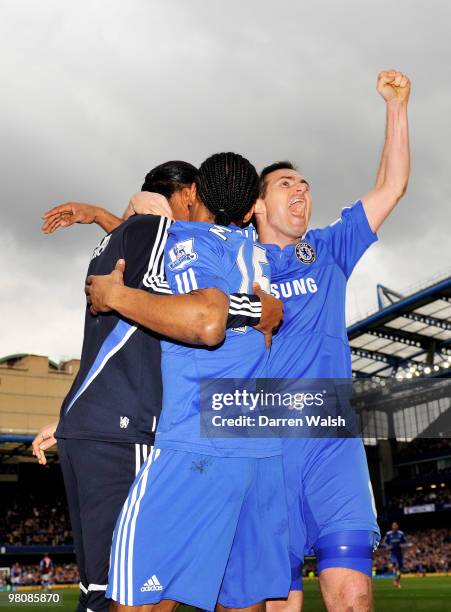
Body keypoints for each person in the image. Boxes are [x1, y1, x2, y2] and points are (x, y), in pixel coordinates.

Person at [34, 160, 283, 612]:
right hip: (218, 438)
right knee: (218, 596)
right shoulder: (239, 247)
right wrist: (260, 311)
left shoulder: (169, 239)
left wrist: (110, 261)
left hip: (155, 433)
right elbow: (196, 308)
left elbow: (188, 311)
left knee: (122, 593)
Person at [255, 69, 410, 612]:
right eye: (286, 184)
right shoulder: (231, 262)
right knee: (279, 603)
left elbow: (391, 188)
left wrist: (396, 108)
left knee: (352, 598)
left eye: (305, 183)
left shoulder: (328, 249)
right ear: (256, 206)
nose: (302, 189)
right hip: (265, 450)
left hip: (331, 449)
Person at [382, 522, 408, 588]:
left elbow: (405, 542)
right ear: (392, 527)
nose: (395, 526)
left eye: (396, 525)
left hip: (400, 553)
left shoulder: (401, 533)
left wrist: (403, 545)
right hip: (393, 553)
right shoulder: (388, 534)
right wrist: (387, 546)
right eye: (393, 525)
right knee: (395, 565)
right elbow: (383, 542)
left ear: (398, 526)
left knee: (400, 568)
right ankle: (395, 580)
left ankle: (397, 581)